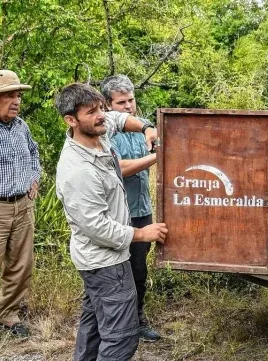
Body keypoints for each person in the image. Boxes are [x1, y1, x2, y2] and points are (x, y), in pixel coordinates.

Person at [54, 83, 168, 361]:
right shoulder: (78, 170)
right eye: (91, 112)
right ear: (71, 120)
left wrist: (146, 128)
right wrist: (141, 234)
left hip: (102, 261)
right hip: (105, 263)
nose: (101, 115)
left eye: (101, 108)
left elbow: (117, 118)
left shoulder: (98, 136)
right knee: (121, 337)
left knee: (93, 328)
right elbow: (94, 226)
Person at [100, 74, 160, 341]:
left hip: (141, 209)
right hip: (117, 213)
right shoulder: (106, 131)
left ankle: (136, 319)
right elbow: (120, 168)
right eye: (121, 102)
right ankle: (112, 323)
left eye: (131, 100)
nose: (128, 106)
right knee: (113, 270)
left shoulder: (140, 128)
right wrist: (156, 157)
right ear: (107, 104)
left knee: (139, 268)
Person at [0, 69, 41, 338]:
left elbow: (33, 152)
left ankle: (9, 314)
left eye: (18, 95)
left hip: (22, 205)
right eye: (9, 95)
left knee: (21, 264)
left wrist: (34, 178)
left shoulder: (21, 126)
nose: (16, 101)